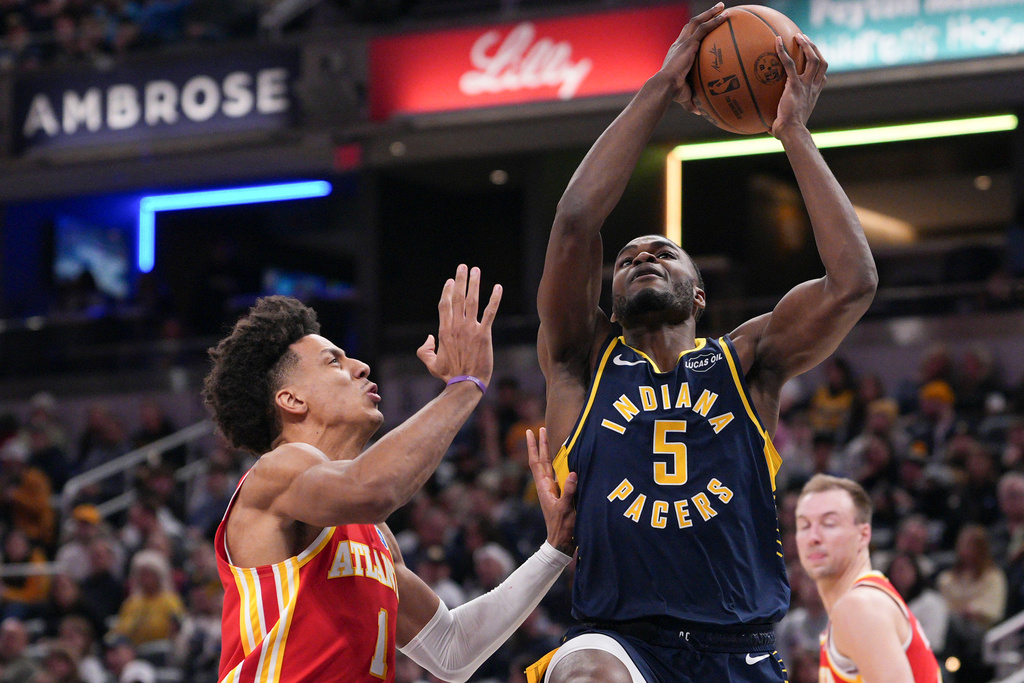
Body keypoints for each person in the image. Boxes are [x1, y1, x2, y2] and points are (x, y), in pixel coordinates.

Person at [532, 4, 877, 683]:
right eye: (627, 257)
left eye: (663, 252)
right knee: (586, 674)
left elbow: (852, 283)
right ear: (610, 293)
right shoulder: (582, 359)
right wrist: (662, 84)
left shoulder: (747, 362)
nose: (641, 257)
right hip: (618, 638)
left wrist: (794, 134)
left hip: (738, 647)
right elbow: (576, 221)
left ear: (699, 295)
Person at [203, 266, 577, 682]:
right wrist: (465, 384)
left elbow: (452, 650)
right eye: (334, 362)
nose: (361, 366)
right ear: (291, 399)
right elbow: (374, 487)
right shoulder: (277, 471)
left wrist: (554, 550)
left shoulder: (375, 532)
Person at [794, 475, 941, 683]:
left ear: (862, 536)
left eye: (829, 523)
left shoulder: (860, 606)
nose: (813, 537)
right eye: (805, 525)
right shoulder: (865, 599)